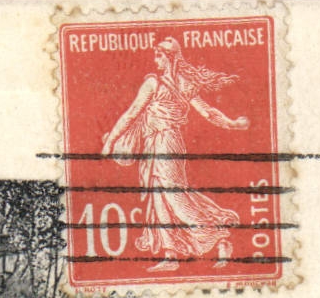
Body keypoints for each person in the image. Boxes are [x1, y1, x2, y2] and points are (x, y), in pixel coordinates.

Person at [101, 36, 251, 271]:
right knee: (159, 196)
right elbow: (209, 112)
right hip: (159, 143)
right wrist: (232, 124)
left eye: (159, 55)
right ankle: (170, 255)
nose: (155, 60)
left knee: (173, 196)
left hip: (165, 142)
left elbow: (131, 114)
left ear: (169, 57)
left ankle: (219, 236)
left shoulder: (156, 84)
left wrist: (110, 142)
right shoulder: (180, 84)